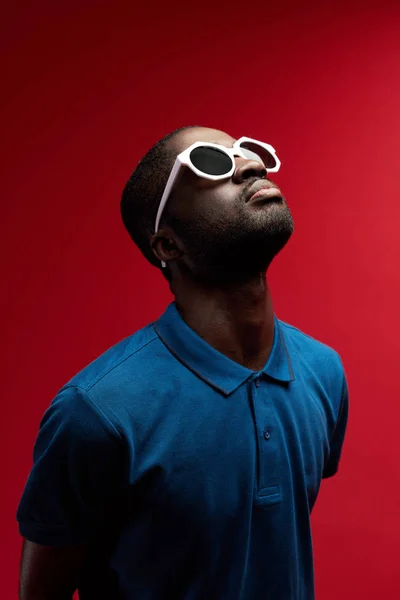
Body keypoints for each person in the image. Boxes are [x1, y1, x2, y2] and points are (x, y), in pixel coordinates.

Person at [17, 126, 349, 600]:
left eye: (248, 151)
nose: (251, 165)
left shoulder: (323, 371)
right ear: (168, 245)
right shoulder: (95, 412)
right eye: (211, 163)